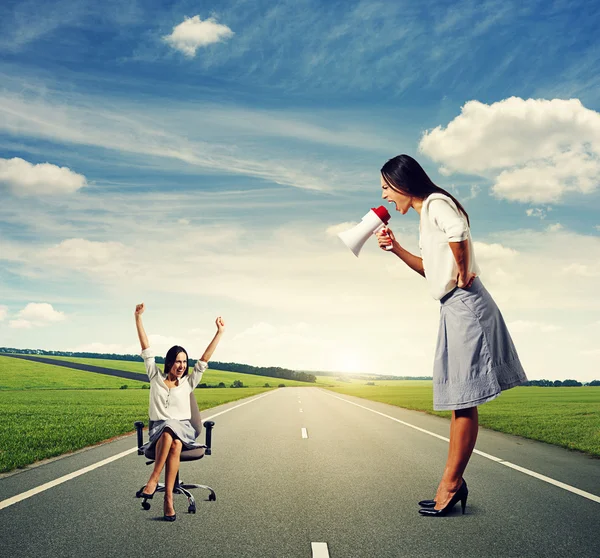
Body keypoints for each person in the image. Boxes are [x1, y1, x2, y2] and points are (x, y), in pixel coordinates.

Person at [376, 154, 527, 517]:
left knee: (463, 399)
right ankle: (451, 483)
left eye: (385, 188)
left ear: (401, 183)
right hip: (452, 306)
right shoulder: (425, 216)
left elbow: (459, 231)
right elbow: (431, 270)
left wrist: (462, 272)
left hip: (465, 304)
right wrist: (396, 249)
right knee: (461, 398)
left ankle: (450, 484)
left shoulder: (435, 204)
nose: (384, 196)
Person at [134, 302, 225, 521]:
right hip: (159, 431)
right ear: (169, 362)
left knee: (172, 429)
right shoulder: (155, 378)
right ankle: (168, 500)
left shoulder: (189, 383)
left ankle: (154, 479)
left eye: (184, 362)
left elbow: (204, 359)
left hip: (183, 429)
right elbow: (146, 349)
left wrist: (219, 333)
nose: (182, 366)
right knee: (169, 436)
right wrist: (138, 318)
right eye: (177, 361)